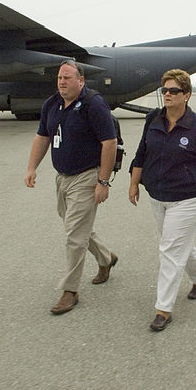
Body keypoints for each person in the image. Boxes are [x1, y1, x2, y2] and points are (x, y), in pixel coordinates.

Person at [129, 69, 196, 331]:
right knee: (177, 243)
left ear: (186, 94)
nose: (168, 95)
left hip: (189, 198)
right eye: (165, 90)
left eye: (173, 91)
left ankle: (164, 309)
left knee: (170, 251)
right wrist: (133, 183)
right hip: (158, 195)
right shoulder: (153, 118)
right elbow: (142, 152)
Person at [24, 60, 119, 316]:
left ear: (81, 80)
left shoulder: (93, 104)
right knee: (75, 227)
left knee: (74, 236)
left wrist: (103, 181)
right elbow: (42, 136)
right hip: (62, 178)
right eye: (59, 78)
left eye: (67, 78)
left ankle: (70, 290)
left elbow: (109, 143)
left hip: (86, 177)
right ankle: (106, 258)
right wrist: (32, 167)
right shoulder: (52, 104)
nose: (62, 82)